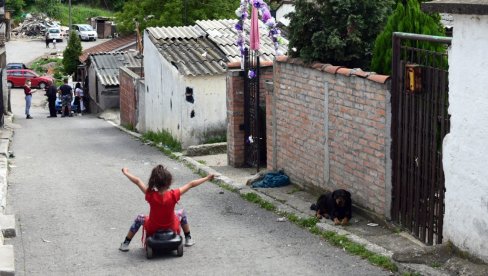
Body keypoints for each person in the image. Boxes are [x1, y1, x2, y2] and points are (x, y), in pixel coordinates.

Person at [118, 165, 214, 252]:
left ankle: (126, 243)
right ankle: (188, 238)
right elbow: (191, 184)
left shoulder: (150, 195)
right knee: (182, 213)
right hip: (171, 227)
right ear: (169, 181)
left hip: (153, 227)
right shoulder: (173, 195)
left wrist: (126, 172)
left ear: (154, 182)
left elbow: (138, 181)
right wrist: (207, 178)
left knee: (139, 218)